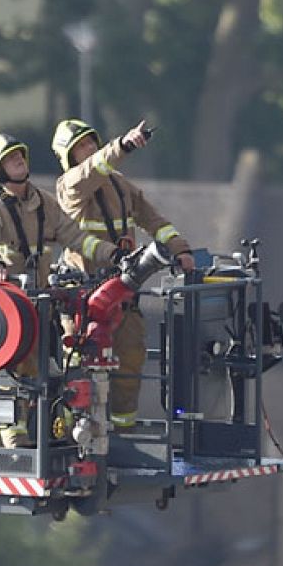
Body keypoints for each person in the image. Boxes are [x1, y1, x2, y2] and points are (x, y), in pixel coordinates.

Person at [0, 133, 117, 446]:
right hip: (10, 308)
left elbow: (76, 237)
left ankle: (55, 427)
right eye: (10, 158)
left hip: (43, 303)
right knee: (13, 370)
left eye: (19, 155)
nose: (19, 161)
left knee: (55, 364)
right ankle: (13, 435)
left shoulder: (43, 202)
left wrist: (110, 253)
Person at [51, 118, 195, 429]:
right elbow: (92, 169)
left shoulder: (119, 185)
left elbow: (153, 219)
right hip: (85, 302)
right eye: (81, 147)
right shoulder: (70, 186)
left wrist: (180, 248)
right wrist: (125, 144)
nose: (89, 149)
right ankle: (71, 435)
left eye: (91, 142)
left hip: (123, 296)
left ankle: (122, 432)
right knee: (79, 375)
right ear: (69, 158)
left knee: (130, 361)